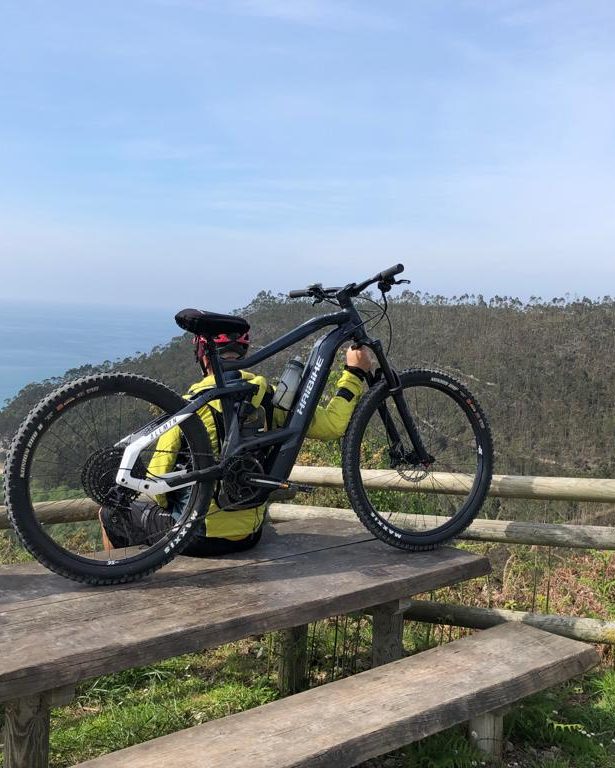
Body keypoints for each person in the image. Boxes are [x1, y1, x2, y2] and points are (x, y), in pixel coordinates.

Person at [100, 326, 371, 556]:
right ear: (243, 354)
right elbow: (333, 425)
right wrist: (354, 375)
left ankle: (120, 587)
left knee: (109, 513)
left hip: (195, 537)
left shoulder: (188, 406)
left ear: (203, 356)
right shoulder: (270, 397)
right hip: (249, 537)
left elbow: (159, 483)